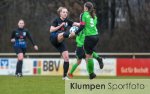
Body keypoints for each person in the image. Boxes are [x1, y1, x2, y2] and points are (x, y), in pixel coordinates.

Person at [73, 2, 103, 79]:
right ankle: (98, 59)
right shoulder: (94, 16)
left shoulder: (84, 14)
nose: (83, 8)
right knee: (89, 54)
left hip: (89, 37)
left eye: (84, 7)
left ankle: (91, 73)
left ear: (86, 8)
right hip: (96, 36)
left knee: (88, 56)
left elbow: (82, 25)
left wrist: (76, 32)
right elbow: (92, 24)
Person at [49, 7, 79, 80]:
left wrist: (84, 23)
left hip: (60, 41)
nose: (65, 13)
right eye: (64, 12)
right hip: (54, 38)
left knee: (66, 58)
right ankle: (70, 35)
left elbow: (76, 24)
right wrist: (60, 26)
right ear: (60, 13)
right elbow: (51, 30)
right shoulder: (56, 20)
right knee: (63, 34)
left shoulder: (67, 21)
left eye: (66, 12)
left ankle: (64, 76)